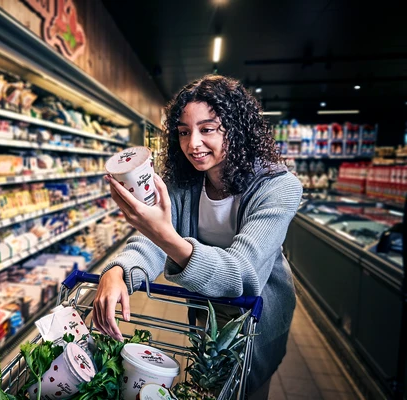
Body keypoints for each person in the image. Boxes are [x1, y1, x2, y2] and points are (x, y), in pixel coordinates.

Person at [92, 75, 302, 400]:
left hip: (260, 323)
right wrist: (117, 271)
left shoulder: (278, 187)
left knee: (248, 391)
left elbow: (240, 273)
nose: (193, 144)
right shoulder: (186, 184)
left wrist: (167, 237)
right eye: (184, 132)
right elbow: (149, 242)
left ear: (234, 127)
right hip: (207, 322)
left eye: (207, 129)